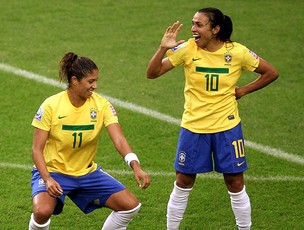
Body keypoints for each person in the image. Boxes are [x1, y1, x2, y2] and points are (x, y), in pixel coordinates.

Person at [146, 7, 279, 230]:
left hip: (227, 128)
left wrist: (244, 90)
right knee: (183, 182)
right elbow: (153, 73)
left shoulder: (237, 52)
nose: (193, 29)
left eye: (199, 25)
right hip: (193, 127)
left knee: (235, 182)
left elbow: (271, 72)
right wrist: (162, 49)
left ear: (215, 29)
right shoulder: (187, 48)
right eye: (193, 24)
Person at [29, 52, 150, 230]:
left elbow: (119, 140)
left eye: (96, 80)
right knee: (41, 211)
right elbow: (36, 149)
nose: (95, 86)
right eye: (91, 81)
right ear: (75, 80)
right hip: (54, 172)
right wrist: (47, 179)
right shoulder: (51, 105)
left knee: (130, 206)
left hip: (87, 173)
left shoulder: (102, 105)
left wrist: (135, 165)